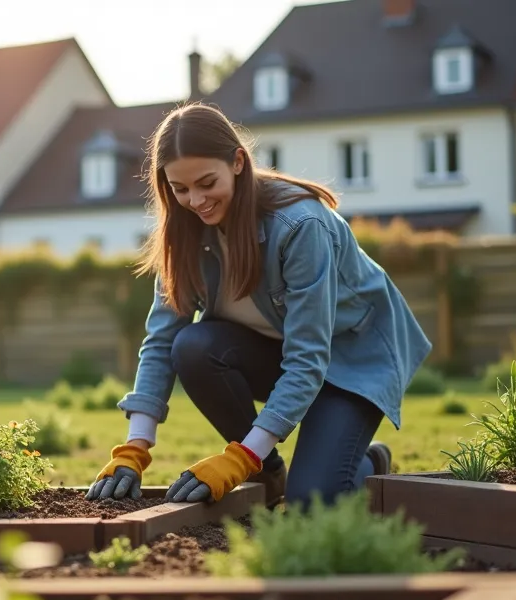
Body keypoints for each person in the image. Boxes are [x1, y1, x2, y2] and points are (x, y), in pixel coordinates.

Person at [87, 103, 430, 510]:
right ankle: (269, 474)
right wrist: (133, 451)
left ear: (237, 162)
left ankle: (370, 457)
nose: (195, 200)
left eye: (206, 182)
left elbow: (308, 359)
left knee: (312, 505)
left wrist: (237, 459)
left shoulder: (300, 226)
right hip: (278, 354)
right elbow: (162, 340)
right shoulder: (184, 233)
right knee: (192, 347)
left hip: (350, 364)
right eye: (180, 189)